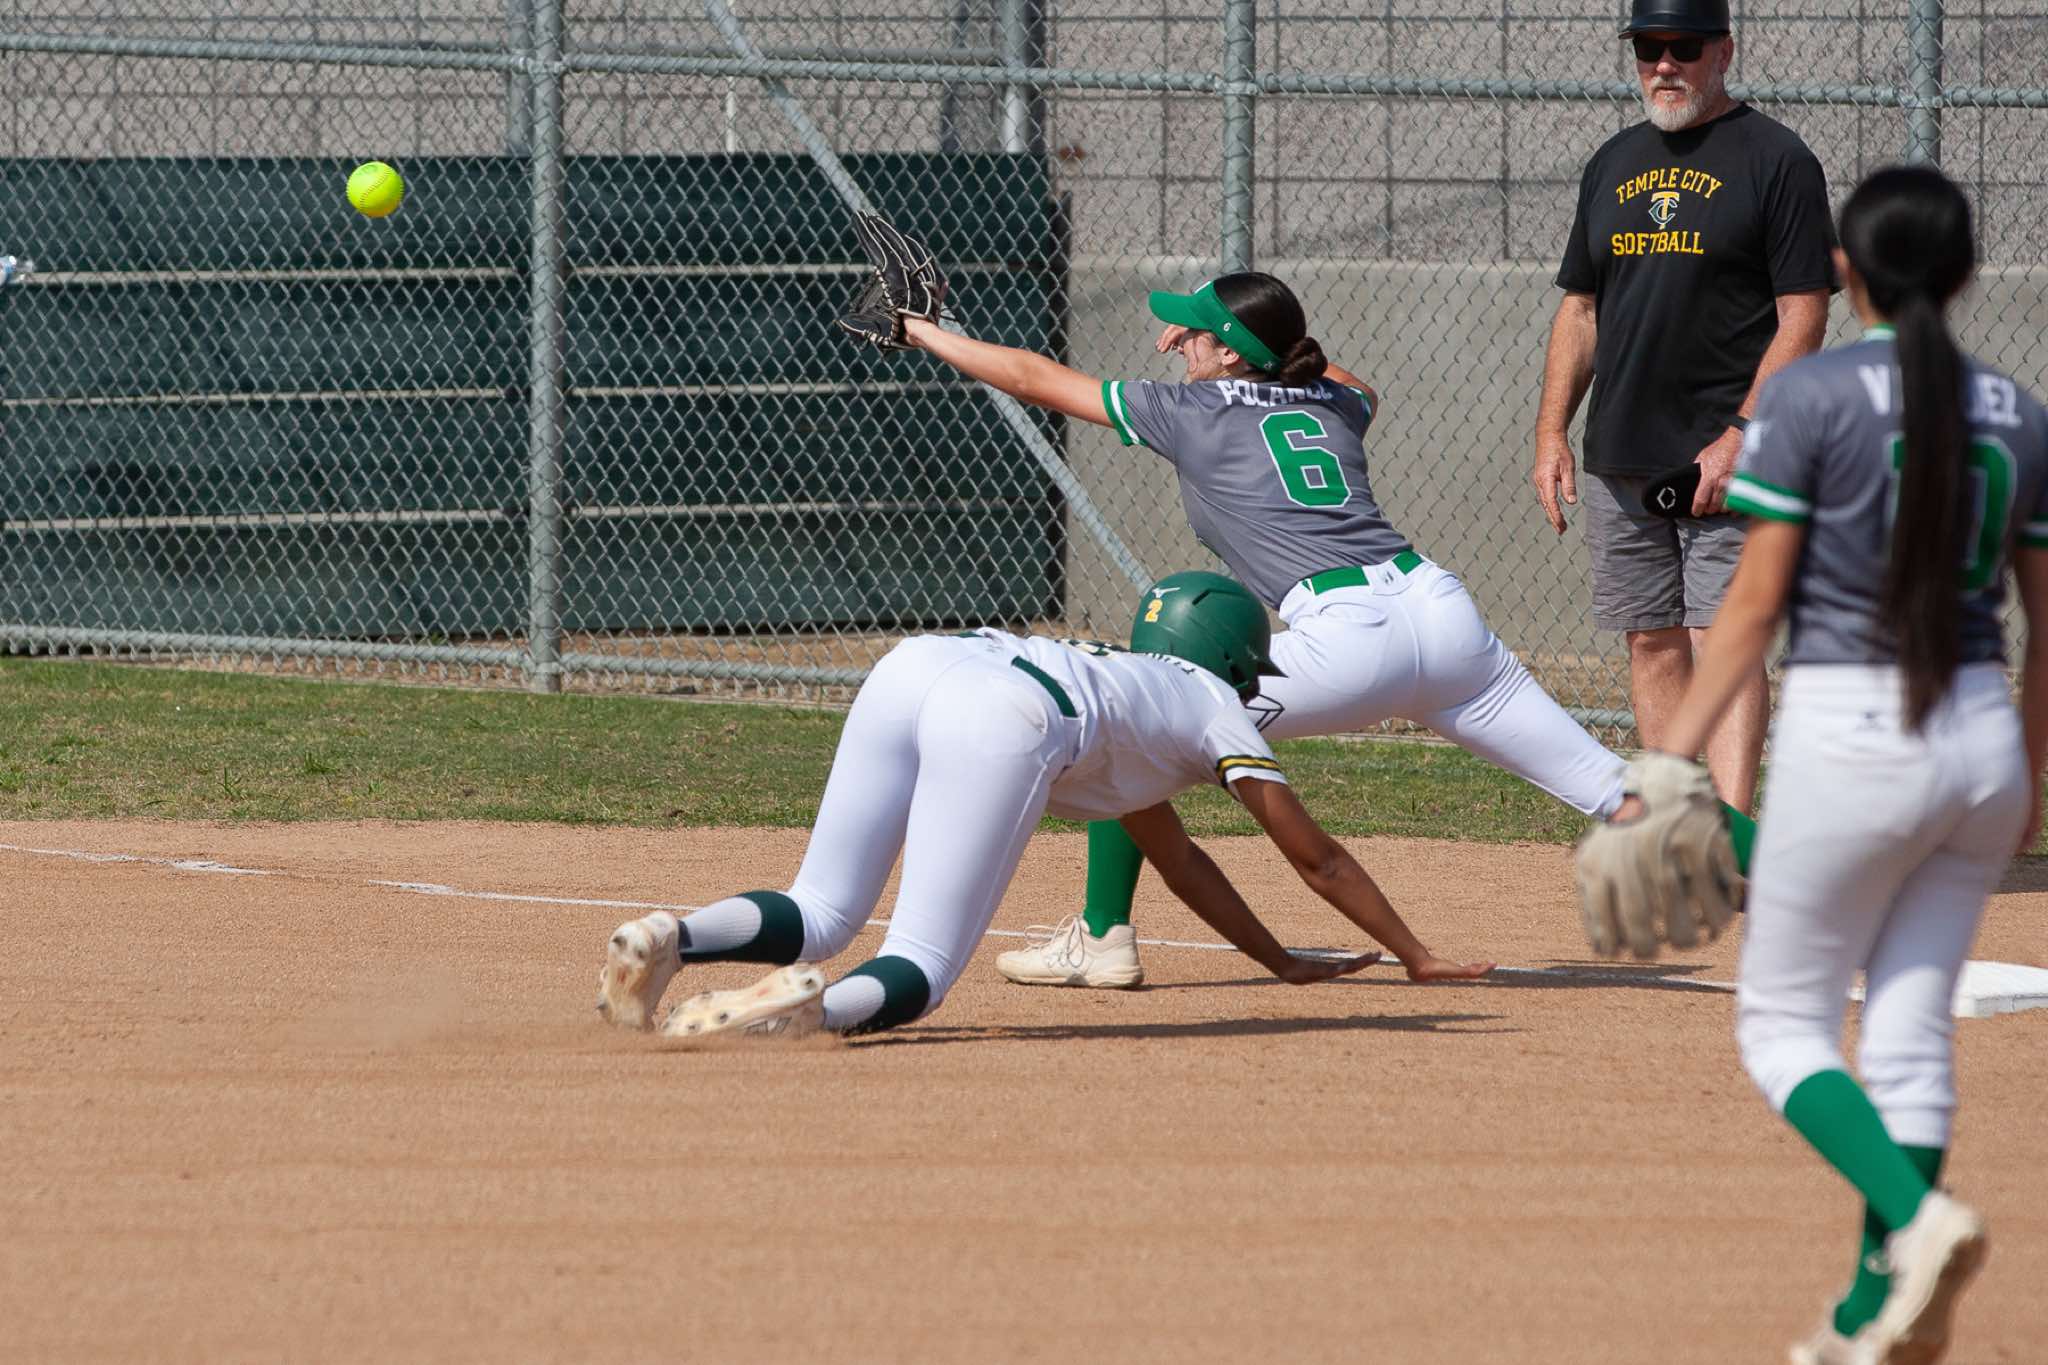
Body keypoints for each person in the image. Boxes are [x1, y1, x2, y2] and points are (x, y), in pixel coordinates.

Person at [890, 267, 1756, 988]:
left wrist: (926, 332)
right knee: (1619, 788)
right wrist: (1259, 350)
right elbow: (1352, 382)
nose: (1176, 341)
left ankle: (1103, 935)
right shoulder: (1334, 404)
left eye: (1193, 333)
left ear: (1233, 351)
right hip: (1442, 616)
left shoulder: (1187, 413)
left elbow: (1031, 375)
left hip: (1342, 638)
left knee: (1141, 713)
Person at [1649, 166, 2048, 1365]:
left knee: (1781, 1026)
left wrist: (1663, 762)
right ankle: (1872, 1313)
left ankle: (1918, 1222)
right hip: (1977, 738)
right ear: (1963, 274)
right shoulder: (2016, 409)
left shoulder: (1809, 394)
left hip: (1850, 726)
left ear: (1843, 270)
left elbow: (1750, 605)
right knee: (1911, 1027)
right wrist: (2029, 774)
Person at [595, 571, 1493, 1042]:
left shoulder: (1131, 686)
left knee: (822, 906)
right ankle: (801, 1014)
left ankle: (671, 933)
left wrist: (1278, 960)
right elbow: (1315, 855)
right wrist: (1415, 954)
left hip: (918, 661)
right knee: (922, 963)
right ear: (1232, 658)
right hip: (1006, 713)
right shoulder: (1213, 703)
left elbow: (1179, 861)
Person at [1532, 0, 1834, 813]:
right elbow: (1580, 309)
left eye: (1684, 47)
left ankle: (1730, 831)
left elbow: (1804, 314)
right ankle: (1675, 822)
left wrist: (1742, 434)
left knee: (1722, 640)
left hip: (1727, 455)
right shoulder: (1612, 161)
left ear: (1723, 51)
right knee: (1652, 640)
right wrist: (1552, 429)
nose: (1665, 64)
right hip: (1622, 451)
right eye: (1649, 47)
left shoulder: (1776, 159)